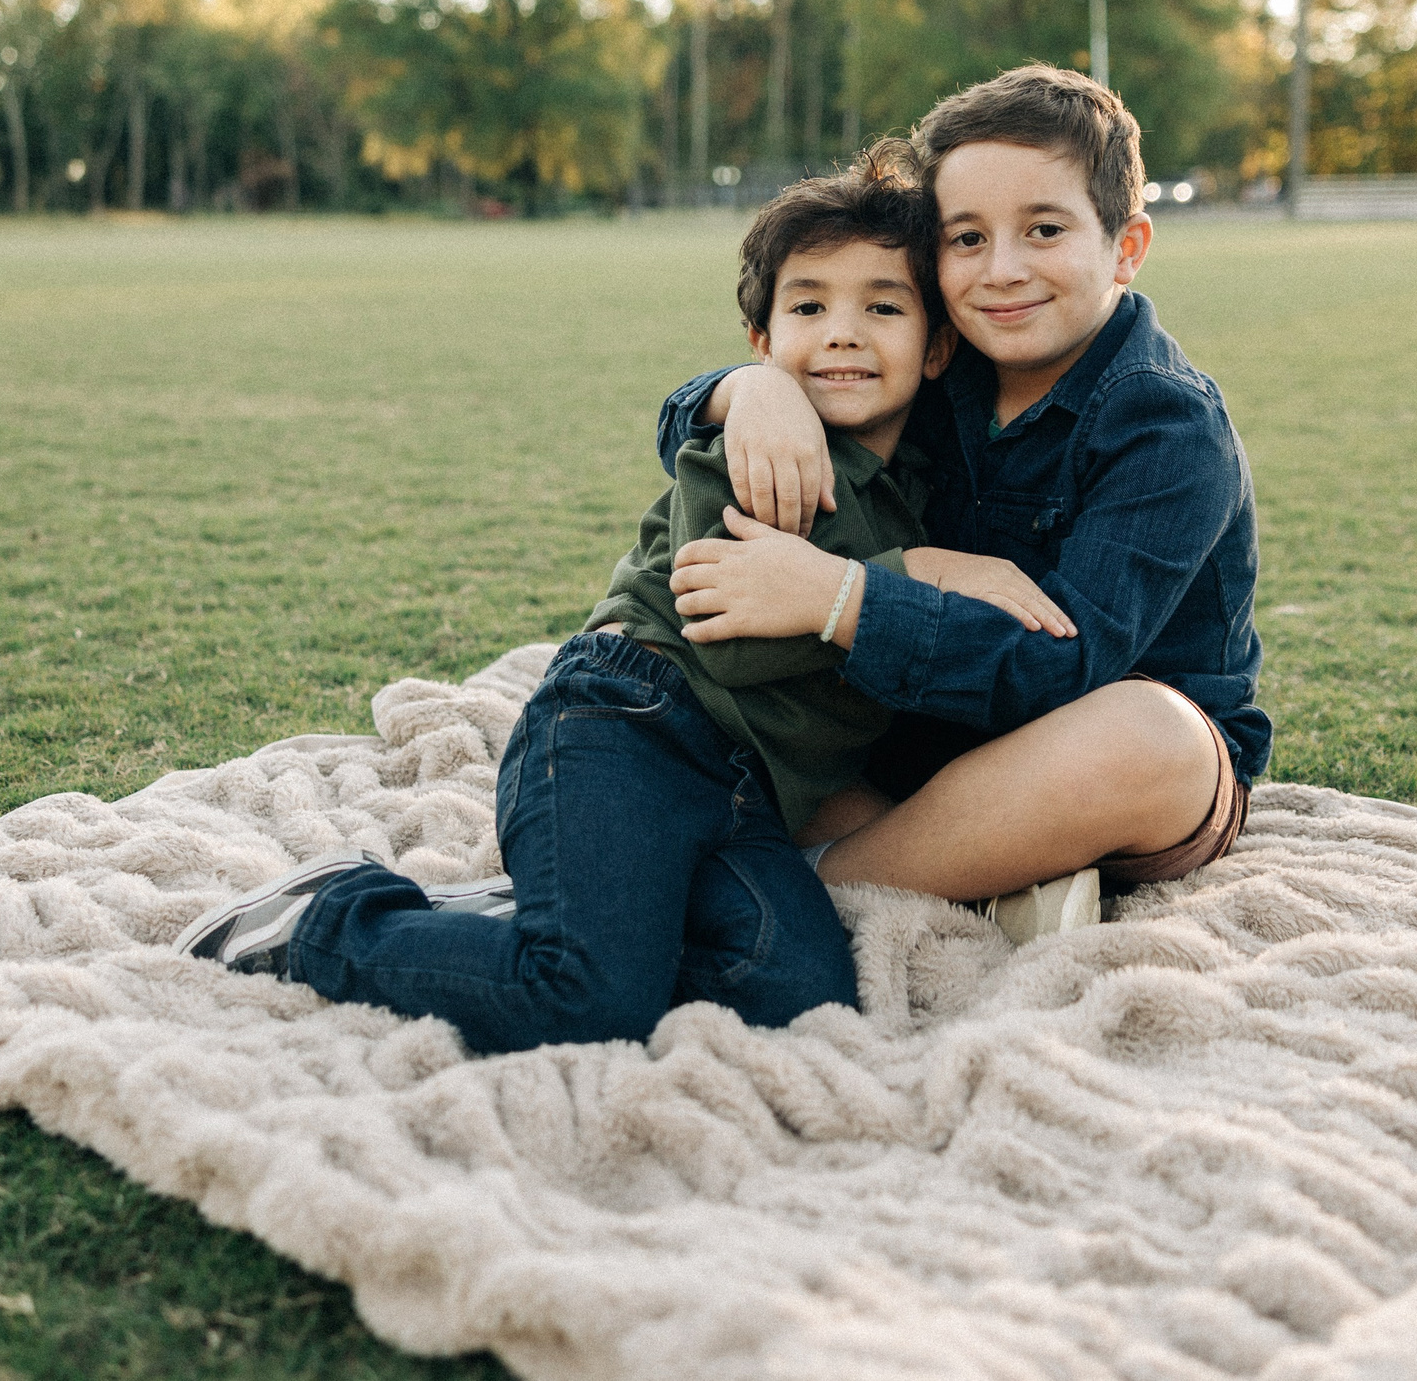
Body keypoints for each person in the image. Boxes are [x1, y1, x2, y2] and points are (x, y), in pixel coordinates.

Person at [175, 145, 1041, 1053]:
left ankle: (558, 905)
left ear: (937, 345)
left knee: (798, 993)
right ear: (763, 343)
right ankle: (324, 922)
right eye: (810, 306)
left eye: (884, 306)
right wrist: (926, 572)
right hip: (628, 721)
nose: (843, 332)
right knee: (587, 998)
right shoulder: (756, 448)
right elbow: (736, 639)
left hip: (746, 796)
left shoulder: (917, 481)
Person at [655, 64, 1270, 915]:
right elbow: (695, 429)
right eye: (966, 238)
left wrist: (841, 598)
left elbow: (1065, 666)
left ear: (1124, 247)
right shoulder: (940, 361)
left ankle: (798, 891)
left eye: (1045, 230)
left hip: (1088, 760)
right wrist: (746, 391)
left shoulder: (1166, 425)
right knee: (711, 699)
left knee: (1150, 736)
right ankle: (967, 875)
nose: (1002, 271)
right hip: (918, 743)